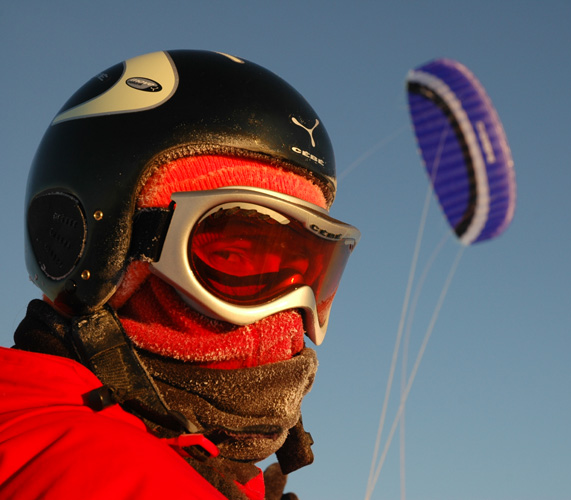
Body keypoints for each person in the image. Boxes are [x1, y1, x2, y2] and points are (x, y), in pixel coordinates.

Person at [0, 49, 360, 500]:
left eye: (312, 272)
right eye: (232, 257)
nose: (287, 322)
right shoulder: (102, 472)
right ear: (94, 247)